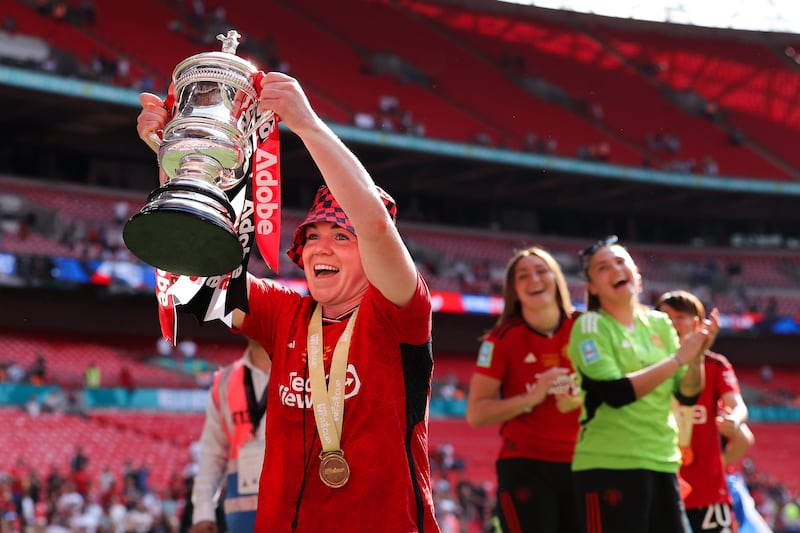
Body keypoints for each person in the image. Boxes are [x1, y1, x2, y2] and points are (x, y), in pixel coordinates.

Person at [136, 71, 439, 532]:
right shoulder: (286, 315)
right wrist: (179, 156)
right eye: (312, 235)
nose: (320, 246)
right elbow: (195, 269)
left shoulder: (399, 313)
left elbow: (374, 223)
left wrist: (308, 125)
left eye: (341, 235)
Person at [566, 236, 719, 533]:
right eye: (603, 267)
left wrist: (696, 356)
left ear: (636, 274)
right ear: (592, 288)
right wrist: (677, 359)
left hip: (663, 461)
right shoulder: (590, 326)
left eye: (621, 262)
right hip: (609, 464)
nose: (615, 269)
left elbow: (686, 394)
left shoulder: (660, 323)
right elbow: (616, 393)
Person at [465, 246, 582, 533]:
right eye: (523, 275)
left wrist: (585, 397)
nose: (534, 279)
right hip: (527, 465)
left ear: (556, 279)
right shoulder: (500, 339)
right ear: (513, 290)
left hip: (586, 461)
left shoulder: (587, 328)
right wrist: (532, 397)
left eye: (541, 271)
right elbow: (476, 413)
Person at [654, 289, 752, 533]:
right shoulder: (647, 369)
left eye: (681, 316)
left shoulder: (715, 365)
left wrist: (735, 419)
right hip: (658, 489)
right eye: (666, 317)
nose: (674, 323)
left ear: (697, 323)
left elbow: (737, 406)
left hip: (708, 494)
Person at [190, 338, 271, 533]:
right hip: (240, 515)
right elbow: (212, 454)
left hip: (295, 508)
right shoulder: (224, 381)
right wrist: (203, 513)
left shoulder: (305, 371)